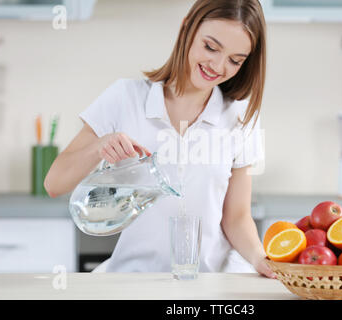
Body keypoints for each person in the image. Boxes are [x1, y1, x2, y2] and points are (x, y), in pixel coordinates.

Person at [44, 0, 275, 279]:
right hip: (134, 279)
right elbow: (54, 183)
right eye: (210, 47)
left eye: (235, 60)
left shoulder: (239, 115)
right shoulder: (125, 98)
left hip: (211, 282)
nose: (218, 65)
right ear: (186, 29)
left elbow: (236, 217)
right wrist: (99, 146)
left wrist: (260, 259)